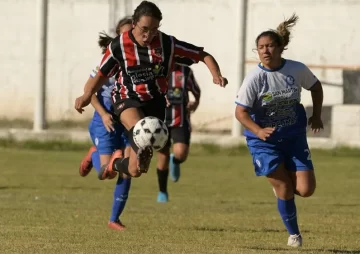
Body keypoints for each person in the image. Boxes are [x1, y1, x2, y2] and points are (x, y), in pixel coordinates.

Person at [74, 1, 228, 181]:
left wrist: (216, 74)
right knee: (140, 130)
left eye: (154, 29)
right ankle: (141, 148)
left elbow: (202, 55)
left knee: (134, 170)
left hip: (155, 101)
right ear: (134, 23)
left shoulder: (166, 43)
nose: (148, 35)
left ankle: (114, 164)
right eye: (144, 29)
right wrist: (86, 95)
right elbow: (101, 74)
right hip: (126, 98)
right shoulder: (119, 46)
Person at [234, 14, 323, 247]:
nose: (265, 51)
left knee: (305, 190)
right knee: (284, 186)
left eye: (270, 46)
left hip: (293, 137)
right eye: (261, 47)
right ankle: (294, 235)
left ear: (281, 47)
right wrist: (258, 130)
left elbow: (316, 87)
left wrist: (316, 115)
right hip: (263, 142)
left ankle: (282, 192)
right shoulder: (254, 78)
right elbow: (240, 113)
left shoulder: (295, 69)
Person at [78, 17, 133, 231]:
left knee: (128, 169)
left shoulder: (140, 63)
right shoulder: (108, 60)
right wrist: (103, 114)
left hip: (127, 122)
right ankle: (94, 154)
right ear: (118, 36)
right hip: (106, 122)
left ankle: (114, 219)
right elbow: (88, 91)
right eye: (124, 35)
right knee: (104, 174)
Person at [156, 64, 201, 203]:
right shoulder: (156, 69)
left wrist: (195, 103)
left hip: (180, 120)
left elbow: (196, 91)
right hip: (160, 120)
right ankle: (162, 192)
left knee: (181, 153)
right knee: (162, 159)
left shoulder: (185, 71)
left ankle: (175, 160)